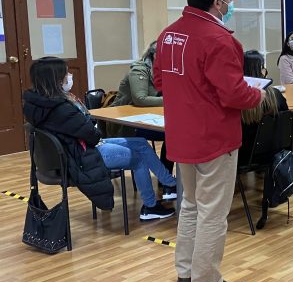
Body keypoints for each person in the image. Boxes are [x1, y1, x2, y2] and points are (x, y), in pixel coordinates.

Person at [153, 0, 266, 282]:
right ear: (217, 3)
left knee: (189, 205)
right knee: (213, 213)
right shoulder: (219, 39)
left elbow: (161, 82)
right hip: (214, 139)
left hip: (181, 137)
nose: (231, 3)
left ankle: (186, 271)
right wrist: (258, 95)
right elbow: (233, 94)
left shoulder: (168, 36)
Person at [23, 57, 177, 220]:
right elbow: (92, 134)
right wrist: (91, 130)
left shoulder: (36, 103)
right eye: (65, 73)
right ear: (55, 78)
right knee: (138, 159)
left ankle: (170, 184)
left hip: (75, 148)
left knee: (140, 144)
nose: (69, 76)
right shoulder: (61, 108)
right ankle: (150, 207)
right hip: (81, 155)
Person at [108, 40, 175, 183]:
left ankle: (167, 180)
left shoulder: (164, 71)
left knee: (174, 134)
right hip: (126, 123)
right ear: (156, 55)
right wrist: (173, 99)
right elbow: (140, 99)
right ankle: (167, 180)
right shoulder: (139, 69)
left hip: (149, 117)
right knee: (171, 135)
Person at [241, 50, 288, 165]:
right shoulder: (275, 94)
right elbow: (285, 117)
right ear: (261, 69)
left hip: (244, 156)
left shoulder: (239, 99)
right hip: (272, 152)